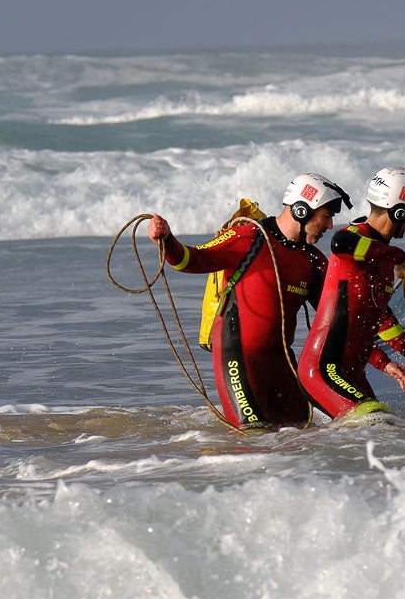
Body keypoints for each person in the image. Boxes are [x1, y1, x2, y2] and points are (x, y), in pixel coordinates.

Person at [148, 173, 351, 429]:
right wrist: (167, 239)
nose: (331, 225)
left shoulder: (312, 260)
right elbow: (192, 260)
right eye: (327, 215)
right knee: (254, 438)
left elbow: (338, 316)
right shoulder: (249, 238)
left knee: (303, 436)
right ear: (302, 210)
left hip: (280, 362)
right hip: (237, 360)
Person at [298, 165, 405, 423]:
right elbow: (340, 243)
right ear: (399, 211)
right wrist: (398, 256)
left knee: (389, 438)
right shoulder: (355, 239)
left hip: (353, 375)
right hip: (324, 371)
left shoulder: (380, 255)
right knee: (380, 424)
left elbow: (380, 318)